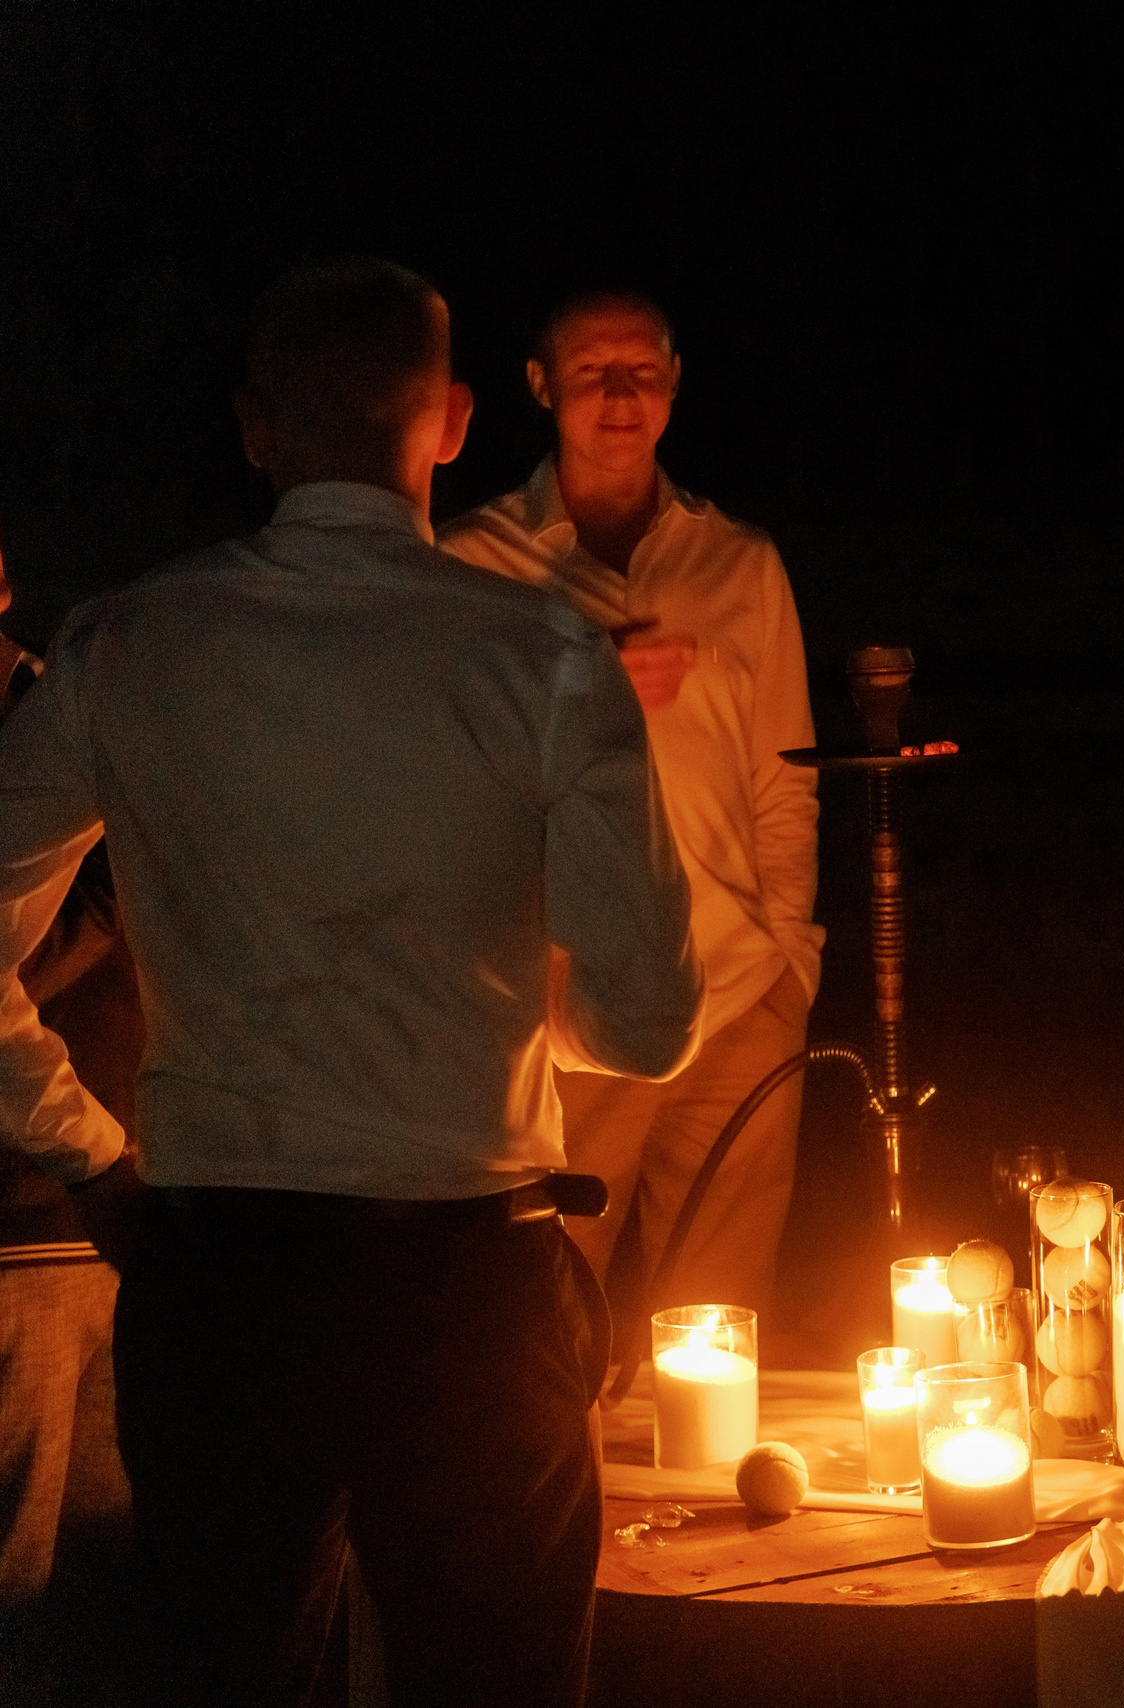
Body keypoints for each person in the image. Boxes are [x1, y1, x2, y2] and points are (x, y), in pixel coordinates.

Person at [0, 257, 702, 1705]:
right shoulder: (546, 659)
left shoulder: (133, 641)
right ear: (448, 422)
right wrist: (515, 1013)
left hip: (220, 1287)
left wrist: (81, 1147)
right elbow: (650, 1023)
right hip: (468, 1283)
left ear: (257, 427)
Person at [441, 290, 820, 1326]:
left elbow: (786, 777)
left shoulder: (739, 563)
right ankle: (560, 1487)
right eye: (594, 370)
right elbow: (447, 775)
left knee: (719, 1325)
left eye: (642, 370)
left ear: (674, 382)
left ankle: (699, 1483)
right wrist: (582, 681)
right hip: (566, 1004)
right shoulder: (475, 564)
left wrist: (791, 960)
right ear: (540, 384)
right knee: (547, 1315)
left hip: (738, 991)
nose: (620, 394)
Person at [0, 536, 146, 1707]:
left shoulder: (61, 708)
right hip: (21, 1232)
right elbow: (50, 943)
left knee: (106, 1586)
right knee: (18, 1599)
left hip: (110, 1212)